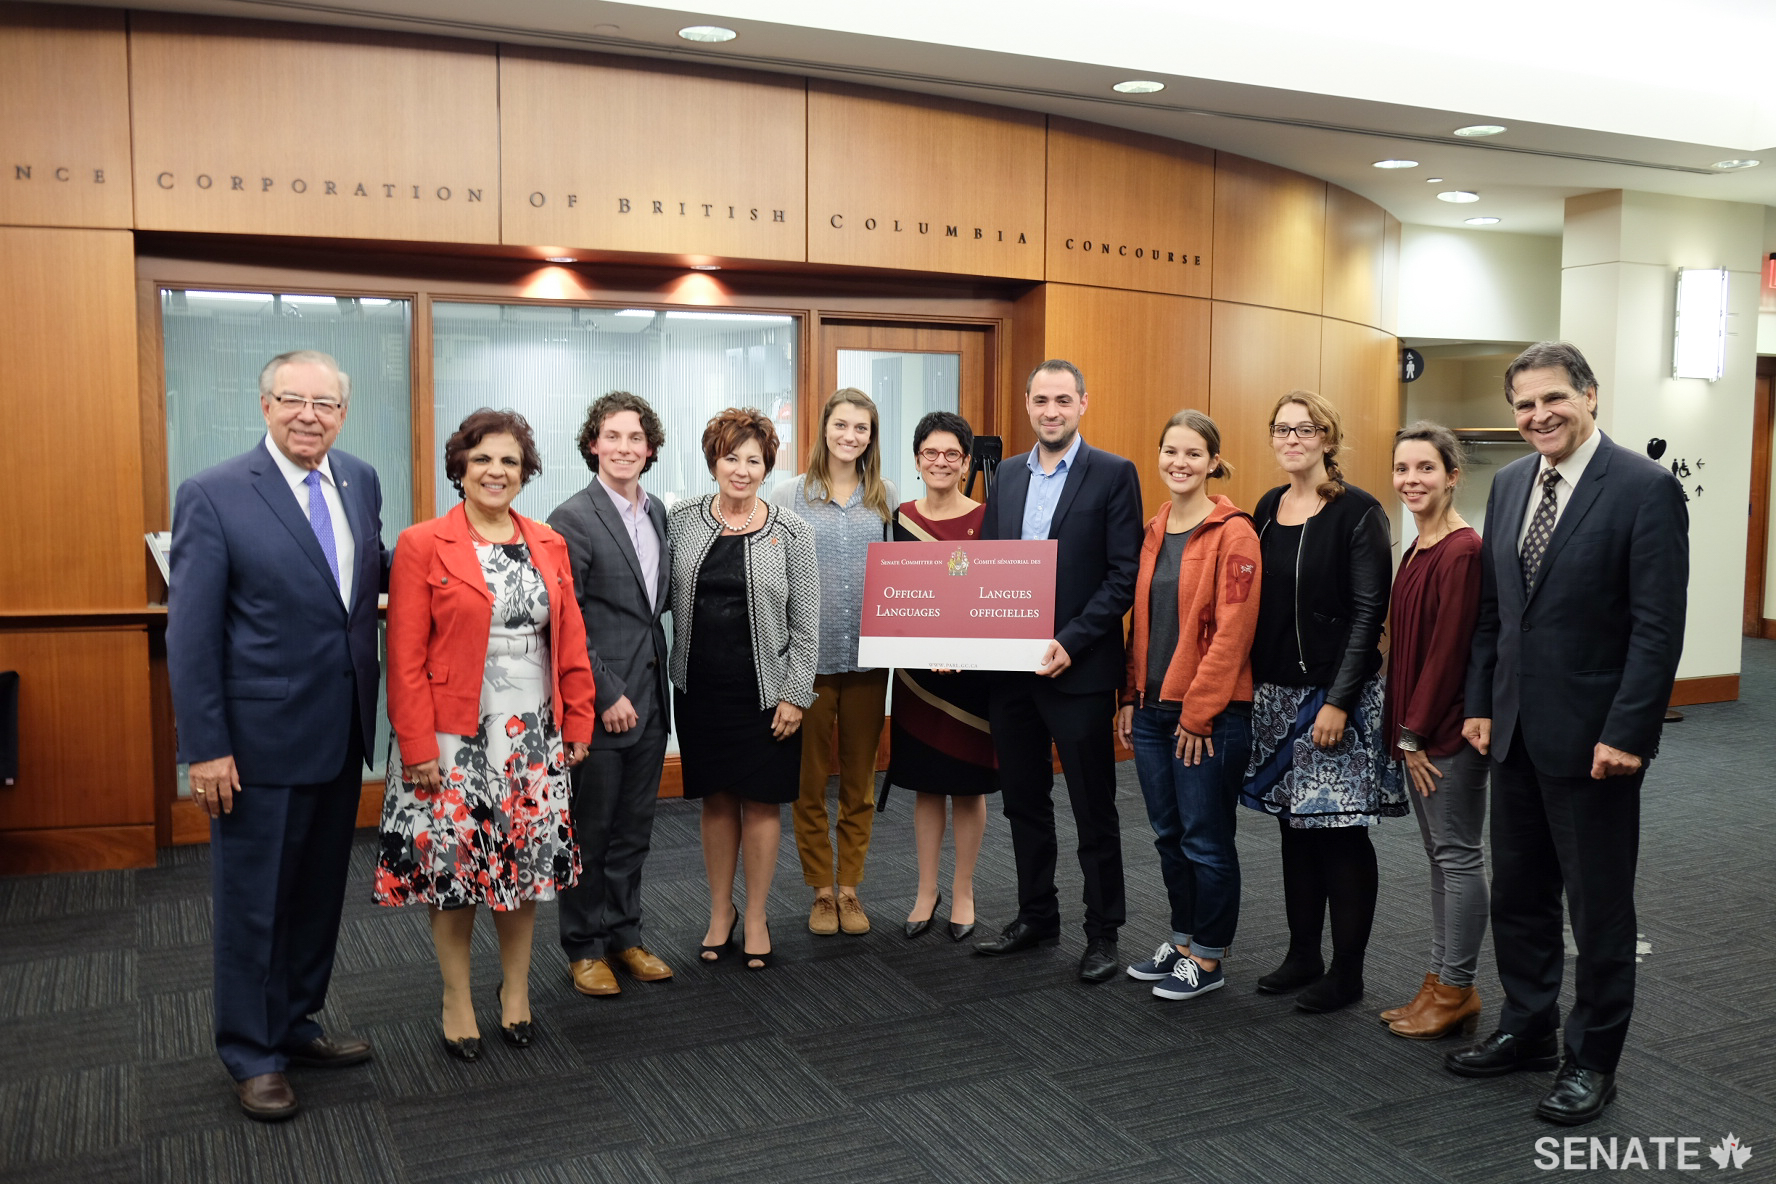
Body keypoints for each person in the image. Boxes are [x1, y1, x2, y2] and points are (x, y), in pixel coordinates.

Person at [1446, 342, 1688, 1127]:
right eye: (1524, 404)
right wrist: (1481, 702)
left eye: (1553, 397)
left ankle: (1593, 1060)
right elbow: (1495, 614)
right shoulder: (1511, 482)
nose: (1538, 415)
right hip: (1514, 732)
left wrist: (1629, 732)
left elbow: (1656, 627)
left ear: (1590, 395)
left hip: (1596, 744)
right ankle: (1528, 1029)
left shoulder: (1644, 488)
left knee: (1598, 910)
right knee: (1519, 895)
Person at [167, 349, 387, 1121]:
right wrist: (205, 747)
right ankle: (251, 1051)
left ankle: (294, 1023)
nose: (309, 416)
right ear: (265, 405)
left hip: (341, 731)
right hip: (256, 744)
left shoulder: (359, 480)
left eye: (325, 404)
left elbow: (363, 583)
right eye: (293, 399)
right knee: (254, 902)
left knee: (317, 896)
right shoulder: (214, 493)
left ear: (343, 414)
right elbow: (191, 635)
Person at [376, 409, 597, 1062]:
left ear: (525, 472)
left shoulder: (548, 541)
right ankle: (457, 998)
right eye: (482, 459)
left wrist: (578, 718)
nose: (495, 472)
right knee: (456, 871)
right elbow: (405, 658)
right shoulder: (423, 543)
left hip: (533, 735)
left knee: (521, 868)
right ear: (460, 469)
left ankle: (516, 991)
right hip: (453, 739)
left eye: (509, 461)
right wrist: (417, 747)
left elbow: (570, 640)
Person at [974, 359, 1144, 982]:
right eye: (1041, 400)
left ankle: (1103, 933)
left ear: (1083, 404)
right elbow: (988, 568)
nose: (1052, 411)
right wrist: (962, 636)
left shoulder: (1114, 473)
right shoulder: (1007, 475)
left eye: (1063, 400)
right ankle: (1036, 916)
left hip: (1079, 670)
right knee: (1023, 802)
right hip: (1011, 673)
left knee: (1093, 808)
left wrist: (1071, 641)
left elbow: (1123, 574)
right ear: (1027, 404)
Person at [1241, 390, 1404, 1014]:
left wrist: (1338, 700)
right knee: (1295, 830)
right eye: (1282, 429)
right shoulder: (1267, 507)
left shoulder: (1359, 512)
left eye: (1305, 429)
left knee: (1339, 835)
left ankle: (1347, 973)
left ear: (1328, 438)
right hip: (1276, 695)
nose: (1292, 439)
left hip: (1338, 700)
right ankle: (1302, 954)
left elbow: (1369, 615)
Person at [1115, 410, 1261, 1001]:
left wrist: (1199, 711)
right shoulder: (1155, 528)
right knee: (1168, 835)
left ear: (1213, 462)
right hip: (1152, 711)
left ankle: (1209, 955)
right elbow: (1141, 624)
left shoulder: (1235, 533)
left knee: (1206, 838)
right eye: (1171, 451)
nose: (1180, 463)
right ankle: (1182, 941)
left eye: (1193, 453)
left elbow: (1233, 632)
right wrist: (1130, 695)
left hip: (1207, 716)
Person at [669, 408, 820, 970]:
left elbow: (807, 623)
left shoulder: (792, 531)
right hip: (700, 689)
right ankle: (720, 911)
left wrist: (796, 694)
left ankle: (755, 915)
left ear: (767, 468)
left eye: (753, 460)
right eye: (730, 457)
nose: (741, 469)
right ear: (714, 461)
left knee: (760, 803)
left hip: (767, 695)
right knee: (715, 801)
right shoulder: (681, 520)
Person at [547, 392, 674, 998]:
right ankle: (584, 947)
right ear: (593, 444)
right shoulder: (571, 518)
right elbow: (565, 618)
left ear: (650, 449)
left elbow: (650, 611)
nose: (625, 448)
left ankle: (626, 935)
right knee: (590, 832)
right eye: (613, 436)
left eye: (636, 438)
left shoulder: (657, 513)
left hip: (652, 699)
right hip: (601, 705)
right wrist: (604, 693)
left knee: (634, 830)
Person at [770, 389, 898, 937]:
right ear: (824, 428)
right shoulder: (789, 495)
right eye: (841, 425)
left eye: (861, 428)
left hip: (869, 661)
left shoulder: (885, 496)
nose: (850, 436)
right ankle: (821, 890)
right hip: (809, 664)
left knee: (860, 783)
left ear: (872, 437)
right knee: (809, 781)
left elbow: (902, 579)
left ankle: (851, 888)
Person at [1379, 422, 1489, 1039]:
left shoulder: (1462, 550)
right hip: (1418, 731)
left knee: (1458, 857)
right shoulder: (1419, 546)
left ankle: (1456, 988)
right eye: (1402, 468)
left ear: (1452, 476)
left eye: (1425, 468)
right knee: (1440, 858)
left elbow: (1449, 654)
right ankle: (1441, 981)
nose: (1411, 480)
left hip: (1443, 736)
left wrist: (1413, 734)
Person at [880, 410, 994, 941]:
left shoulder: (990, 520)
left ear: (966, 462)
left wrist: (966, 648)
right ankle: (926, 891)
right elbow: (892, 597)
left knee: (968, 787)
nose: (941, 462)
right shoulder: (898, 518)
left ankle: (964, 890)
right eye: (931, 452)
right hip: (917, 678)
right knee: (925, 785)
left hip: (973, 676)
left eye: (952, 454)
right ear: (917, 459)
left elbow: (996, 598)